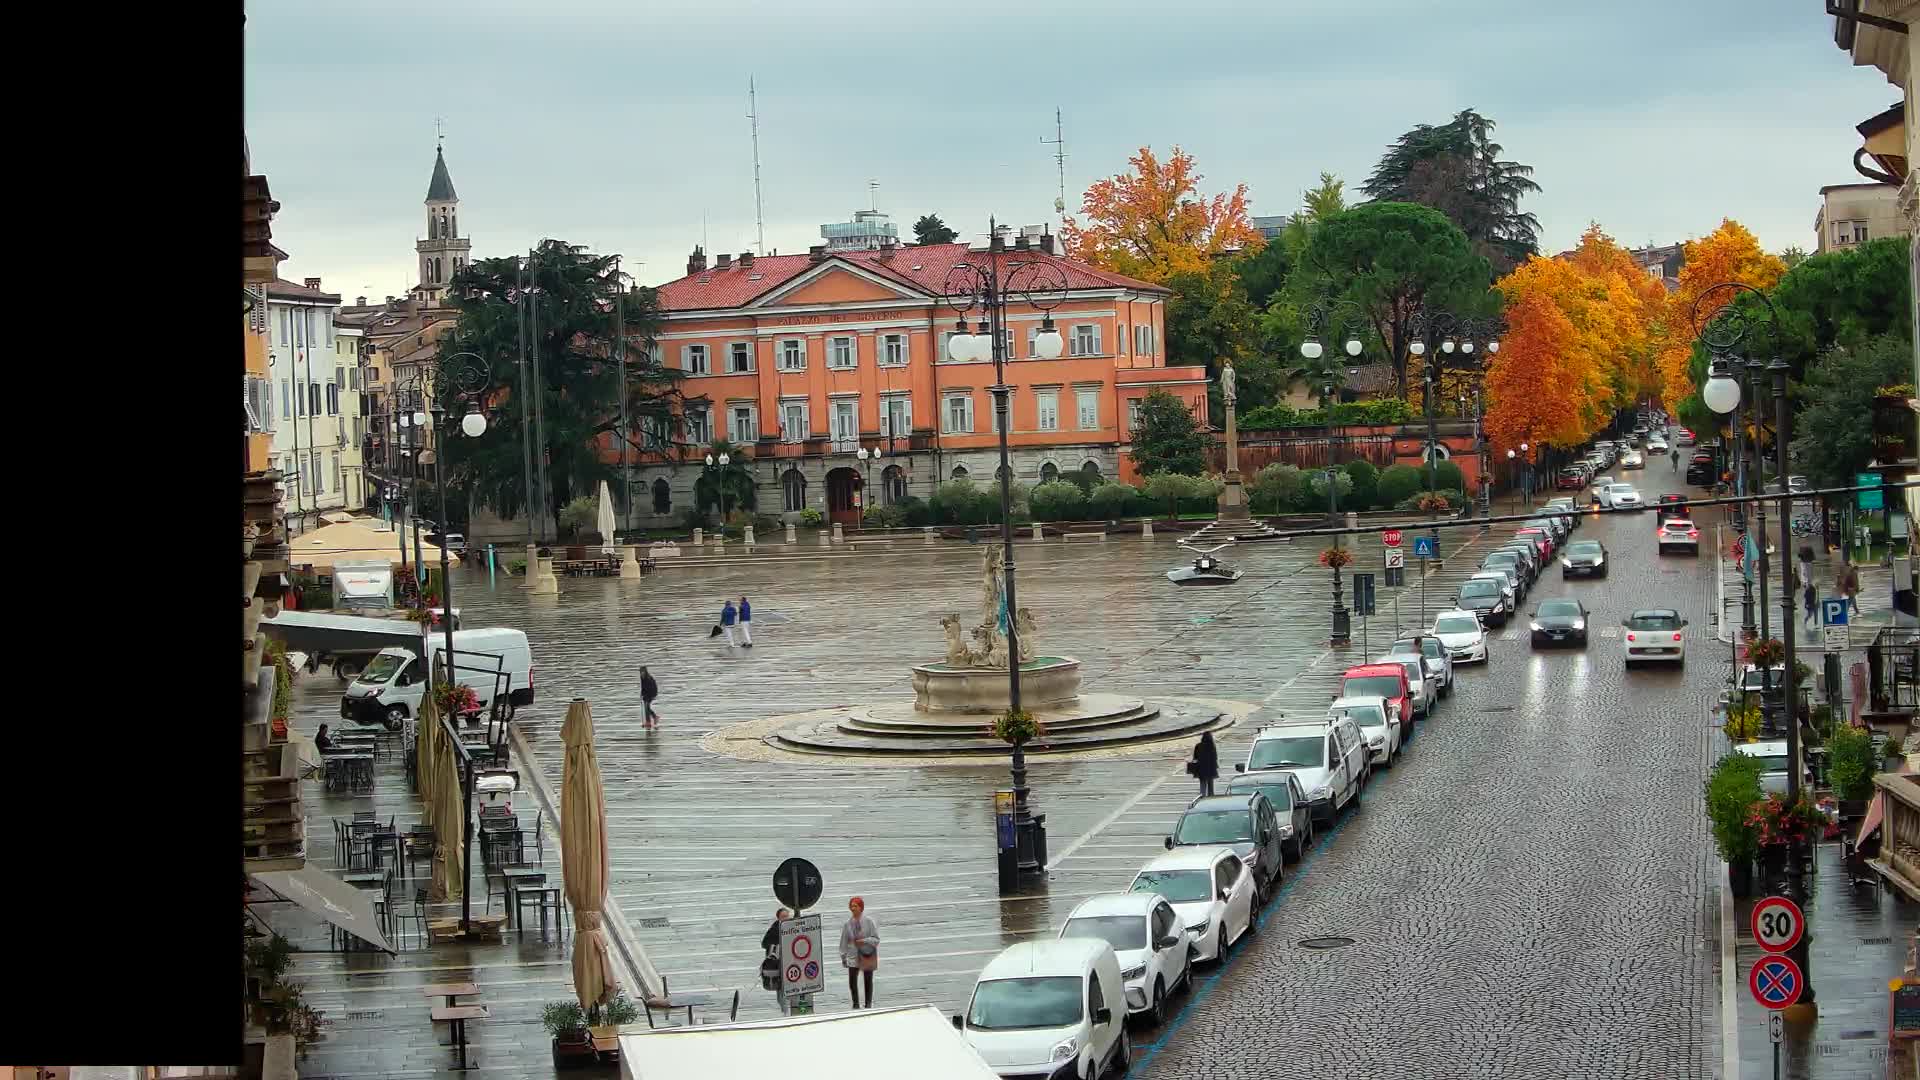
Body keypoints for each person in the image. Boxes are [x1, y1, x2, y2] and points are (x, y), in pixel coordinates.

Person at [839, 896, 879, 1009]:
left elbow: (876, 939)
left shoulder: (869, 922)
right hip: (853, 955)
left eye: (855, 906)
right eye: (851, 906)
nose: (853, 908)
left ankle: (868, 1003)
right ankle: (855, 1004)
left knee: (868, 979)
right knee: (852, 981)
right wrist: (843, 956)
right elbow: (844, 941)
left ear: (861, 907)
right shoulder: (847, 924)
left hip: (866, 955)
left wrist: (864, 941)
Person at [761, 907, 792, 1014]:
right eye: (783, 917)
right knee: (781, 988)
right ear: (778, 918)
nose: (786, 919)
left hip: (791, 962)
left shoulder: (793, 927)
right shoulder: (774, 929)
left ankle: (788, 1009)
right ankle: (785, 1010)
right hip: (779, 964)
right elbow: (764, 943)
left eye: (787, 916)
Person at [1191, 731, 1219, 797]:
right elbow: (1215, 758)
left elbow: (1195, 757)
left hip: (1201, 769)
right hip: (1210, 769)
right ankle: (1210, 799)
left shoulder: (1198, 746)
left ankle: (1202, 798)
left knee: (1202, 786)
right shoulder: (1212, 746)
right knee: (1211, 787)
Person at [640, 666, 660, 730]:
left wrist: (647, 696)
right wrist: (642, 694)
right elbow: (643, 686)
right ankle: (654, 718)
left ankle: (649, 721)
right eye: (641, 672)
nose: (641, 673)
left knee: (646, 707)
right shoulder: (642, 677)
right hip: (646, 694)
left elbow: (651, 688)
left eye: (643, 672)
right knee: (647, 707)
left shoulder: (648, 678)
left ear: (645, 672)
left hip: (652, 693)